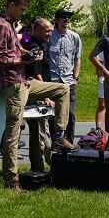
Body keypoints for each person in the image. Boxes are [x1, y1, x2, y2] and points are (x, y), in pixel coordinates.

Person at [0, 0, 74, 190]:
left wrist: (29, 54)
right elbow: (0, 60)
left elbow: (16, 50)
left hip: (25, 81)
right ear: (11, 5)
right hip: (13, 84)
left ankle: (59, 135)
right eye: (21, 9)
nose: (23, 13)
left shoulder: (10, 24)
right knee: (13, 134)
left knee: (63, 89)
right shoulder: (1, 25)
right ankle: (12, 180)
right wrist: (24, 60)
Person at [23, 16, 74, 171]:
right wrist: (45, 95)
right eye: (47, 31)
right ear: (36, 30)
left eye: (51, 31)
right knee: (41, 135)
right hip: (35, 93)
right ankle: (46, 166)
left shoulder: (37, 43)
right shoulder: (34, 46)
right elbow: (35, 73)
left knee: (38, 134)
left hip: (36, 91)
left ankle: (38, 168)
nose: (50, 34)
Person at [45, 8, 82, 142]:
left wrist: (75, 77)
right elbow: (44, 57)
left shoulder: (74, 37)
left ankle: (69, 143)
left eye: (68, 17)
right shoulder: (49, 36)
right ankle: (55, 144)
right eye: (63, 17)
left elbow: (77, 58)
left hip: (68, 81)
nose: (67, 19)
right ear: (56, 19)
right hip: (53, 80)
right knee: (53, 114)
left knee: (70, 114)